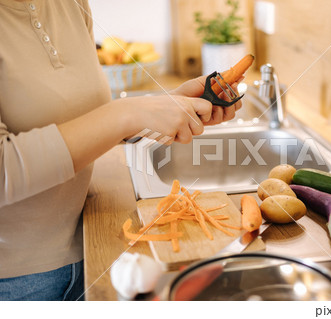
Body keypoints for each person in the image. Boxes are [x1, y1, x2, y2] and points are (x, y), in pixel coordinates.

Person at [0, 0, 242, 300]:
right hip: (16, 283)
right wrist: (126, 113)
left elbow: (85, 119)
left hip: (89, 240)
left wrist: (162, 107)